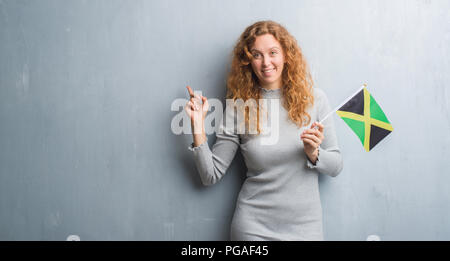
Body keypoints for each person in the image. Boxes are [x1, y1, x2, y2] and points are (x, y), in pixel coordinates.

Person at [184, 20, 343, 241]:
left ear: (286, 55)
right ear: (248, 62)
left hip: (306, 229)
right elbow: (210, 175)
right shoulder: (239, 106)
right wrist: (197, 125)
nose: (266, 62)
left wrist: (314, 153)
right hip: (253, 230)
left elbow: (335, 166)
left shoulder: (315, 99)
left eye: (273, 53)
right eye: (257, 55)